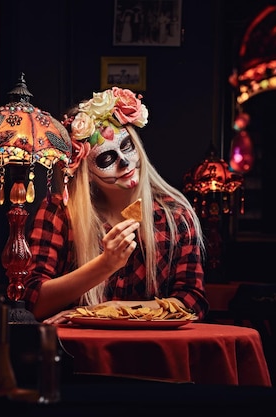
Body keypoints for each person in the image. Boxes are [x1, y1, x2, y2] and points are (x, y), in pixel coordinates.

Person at [22, 87, 209, 324]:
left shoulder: (175, 216)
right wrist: (105, 264)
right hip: (78, 354)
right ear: (86, 171)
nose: (124, 161)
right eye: (106, 158)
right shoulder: (59, 212)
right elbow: (33, 302)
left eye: (127, 146)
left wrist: (111, 311)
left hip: (152, 352)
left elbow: (192, 302)